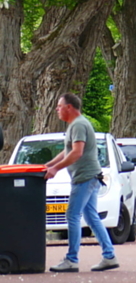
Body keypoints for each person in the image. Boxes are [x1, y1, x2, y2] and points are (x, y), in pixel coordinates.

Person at [45, 93, 119, 273]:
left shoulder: (78, 125)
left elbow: (77, 152)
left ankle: (72, 259)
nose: (57, 109)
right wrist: (49, 165)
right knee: (91, 217)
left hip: (85, 177)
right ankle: (109, 256)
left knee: (72, 215)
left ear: (69, 107)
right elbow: (68, 151)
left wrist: (55, 169)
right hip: (91, 176)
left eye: (59, 106)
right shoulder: (76, 125)